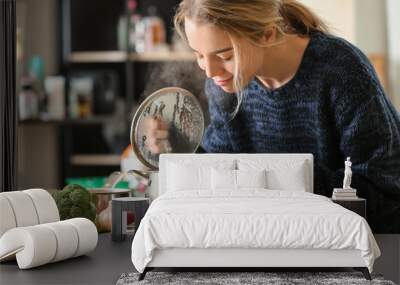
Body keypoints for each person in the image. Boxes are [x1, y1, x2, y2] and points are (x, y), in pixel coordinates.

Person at [144, 0, 400, 233]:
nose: (210, 71)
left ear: (267, 34)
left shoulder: (342, 71)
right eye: (199, 55)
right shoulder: (225, 87)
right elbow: (222, 172)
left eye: (225, 56)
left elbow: (384, 191)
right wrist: (178, 148)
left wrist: (279, 178)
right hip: (269, 240)